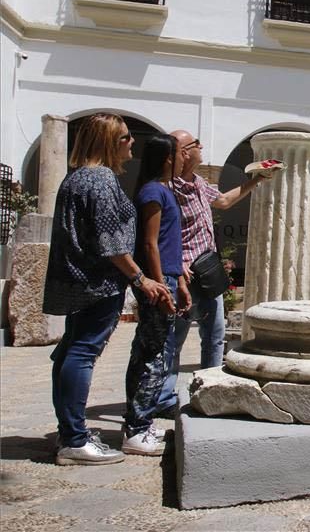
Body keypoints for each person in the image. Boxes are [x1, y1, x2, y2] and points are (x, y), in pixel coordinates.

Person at [45, 114, 171, 466]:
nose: (133, 142)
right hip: (97, 283)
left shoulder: (77, 178)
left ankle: (69, 431)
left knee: (71, 350)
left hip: (78, 278)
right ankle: (73, 439)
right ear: (110, 141)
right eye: (126, 137)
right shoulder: (100, 180)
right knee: (81, 352)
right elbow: (111, 242)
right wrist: (140, 279)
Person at [154, 130, 267, 416]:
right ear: (182, 152)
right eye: (195, 144)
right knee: (175, 338)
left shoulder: (198, 183)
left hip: (208, 270)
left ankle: (209, 390)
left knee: (215, 335)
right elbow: (158, 231)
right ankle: (164, 397)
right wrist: (175, 264)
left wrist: (256, 181)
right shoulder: (169, 188)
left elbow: (224, 202)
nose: (201, 147)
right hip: (185, 273)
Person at [123, 134, 191, 455]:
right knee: (152, 355)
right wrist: (161, 284)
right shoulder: (153, 191)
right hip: (158, 283)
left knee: (157, 352)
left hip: (170, 280)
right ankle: (137, 427)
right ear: (167, 158)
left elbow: (166, 243)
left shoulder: (164, 191)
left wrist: (179, 282)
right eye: (180, 154)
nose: (184, 159)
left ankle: (142, 422)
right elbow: (150, 244)